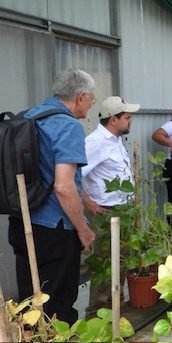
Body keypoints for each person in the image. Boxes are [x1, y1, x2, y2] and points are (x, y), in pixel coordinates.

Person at [8, 69, 97, 324]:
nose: (91, 106)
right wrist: (83, 229)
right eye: (91, 99)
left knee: (30, 300)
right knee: (57, 303)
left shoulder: (26, 117)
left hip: (22, 222)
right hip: (54, 230)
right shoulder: (67, 126)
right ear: (80, 97)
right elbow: (64, 186)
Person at [82, 96, 140, 316]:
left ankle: (115, 307)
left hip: (121, 210)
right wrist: (88, 202)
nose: (130, 120)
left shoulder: (115, 140)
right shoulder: (95, 143)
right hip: (106, 211)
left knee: (121, 260)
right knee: (107, 263)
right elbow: (75, 174)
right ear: (113, 119)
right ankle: (97, 313)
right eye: (127, 117)